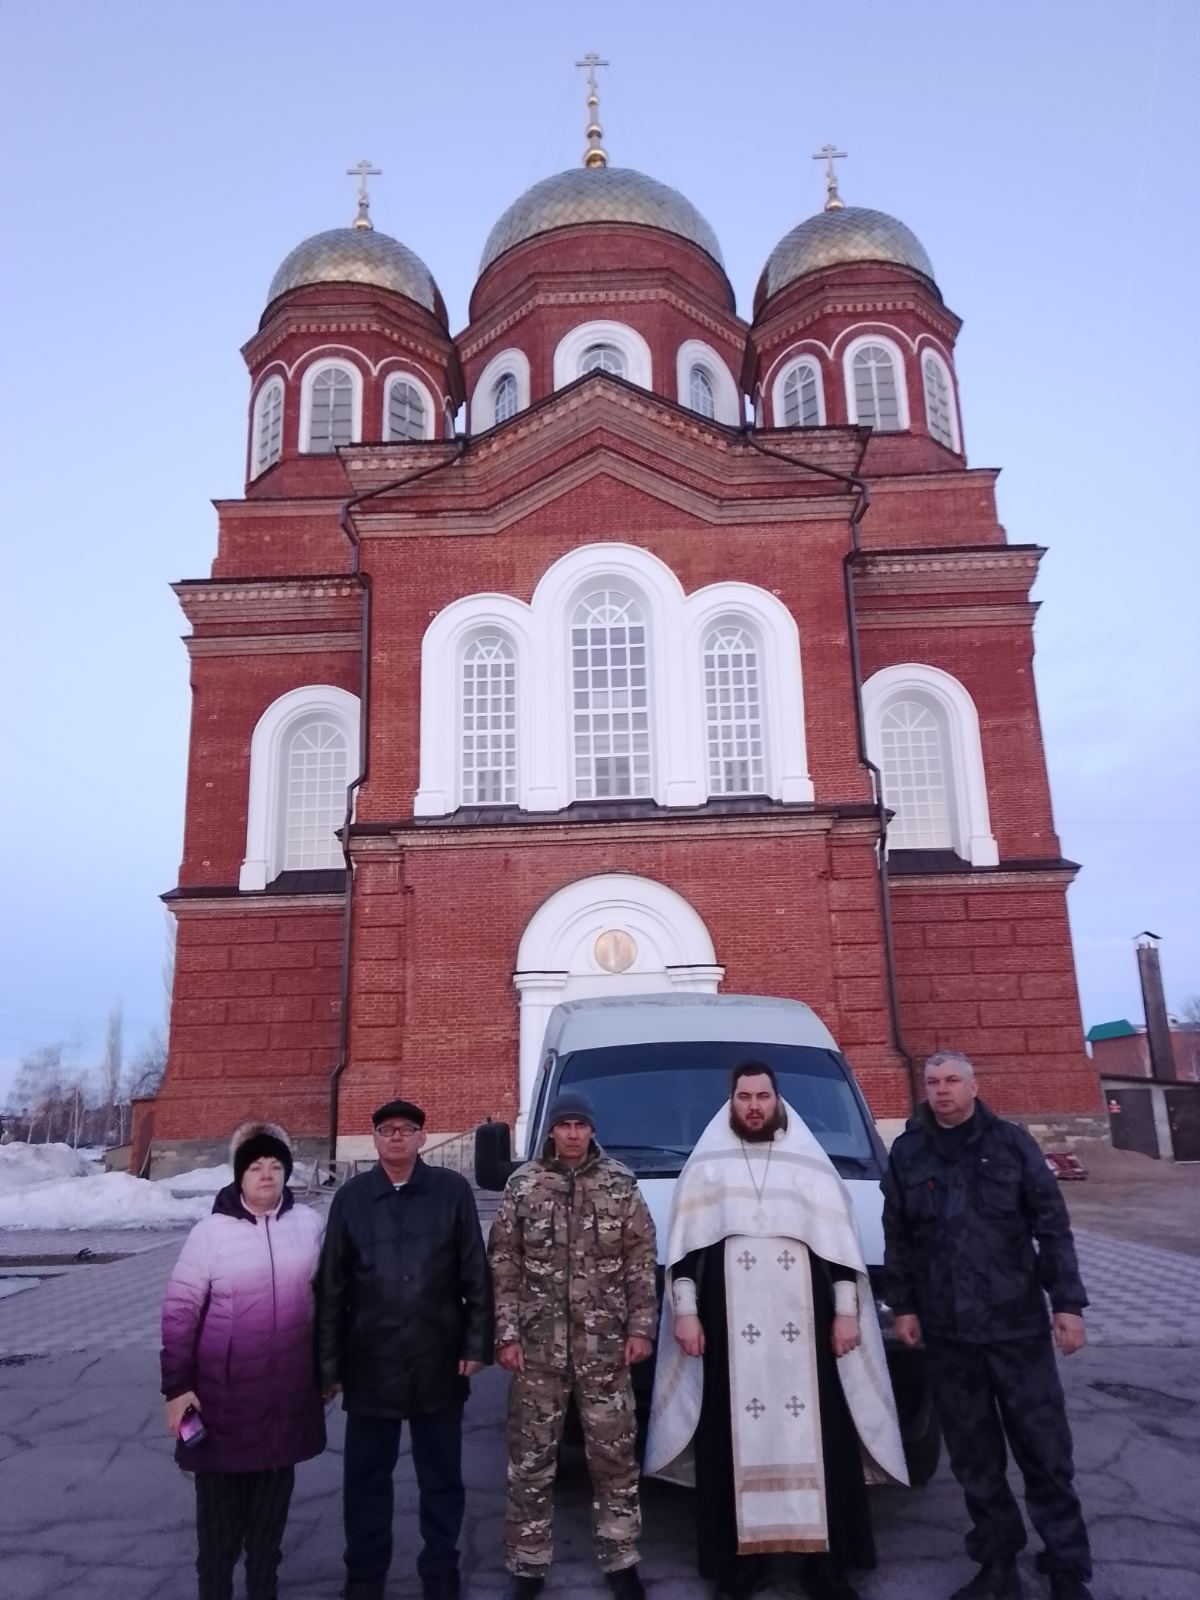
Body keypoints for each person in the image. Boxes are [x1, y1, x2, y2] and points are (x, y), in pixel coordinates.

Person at [647, 1062, 907, 1600]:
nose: (754, 1106)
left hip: (806, 1339)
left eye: (763, 1095)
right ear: (732, 1102)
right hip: (728, 1337)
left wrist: (845, 1314)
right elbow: (687, 1254)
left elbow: (837, 1253)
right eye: (745, 1096)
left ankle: (825, 1565)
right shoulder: (708, 1166)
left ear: (777, 1100)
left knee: (824, 1442)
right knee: (727, 1441)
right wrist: (687, 1313)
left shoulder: (808, 1167)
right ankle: (743, 1564)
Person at [882, 1050, 1093, 1600]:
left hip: (1016, 1328)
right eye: (933, 1082)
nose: (942, 1091)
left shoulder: (1012, 1146)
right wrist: (903, 1306)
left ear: (974, 1086)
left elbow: (1053, 1226)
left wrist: (1067, 1304)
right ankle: (997, 1563)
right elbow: (898, 1238)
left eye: (953, 1081)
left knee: (1046, 1453)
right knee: (976, 1459)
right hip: (949, 1335)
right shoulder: (907, 1153)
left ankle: (1066, 1567)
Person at [316, 1098, 492, 1600]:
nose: (396, 1137)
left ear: (422, 1136)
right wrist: (328, 1365)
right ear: (374, 1139)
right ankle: (365, 1575)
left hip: (438, 1358)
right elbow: (331, 1288)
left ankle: (441, 1572)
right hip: (370, 1363)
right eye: (386, 1129)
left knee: (441, 1479)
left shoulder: (451, 1192)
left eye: (406, 1129)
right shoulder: (351, 1200)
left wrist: (475, 1342)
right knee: (367, 1480)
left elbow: (474, 1274)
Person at [488, 1090, 658, 1600]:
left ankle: (621, 1557)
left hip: (605, 1350)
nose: (571, 1134)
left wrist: (641, 1328)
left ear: (591, 1130)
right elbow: (503, 1264)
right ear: (551, 1130)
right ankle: (527, 1564)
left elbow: (640, 1262)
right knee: (531, 1462)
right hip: (539, 1352)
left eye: (580, 1125)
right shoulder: (523, 1186)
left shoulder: (620, 1184)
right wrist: (506, 1334)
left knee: (615, 1460)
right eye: (563, 1125)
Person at [160, 1121, 326, 1600]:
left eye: (276, 1166)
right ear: (239, 1174)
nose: (267, 1175)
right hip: (221, 1405)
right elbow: (179, 1313)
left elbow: (330, 1302)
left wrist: (328, 1369)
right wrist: (176, 1389)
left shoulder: (310, 1227)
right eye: (256, 1166)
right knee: (217, 1538)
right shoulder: (210, 1234)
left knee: (268, 1535)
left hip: (286, 1404)